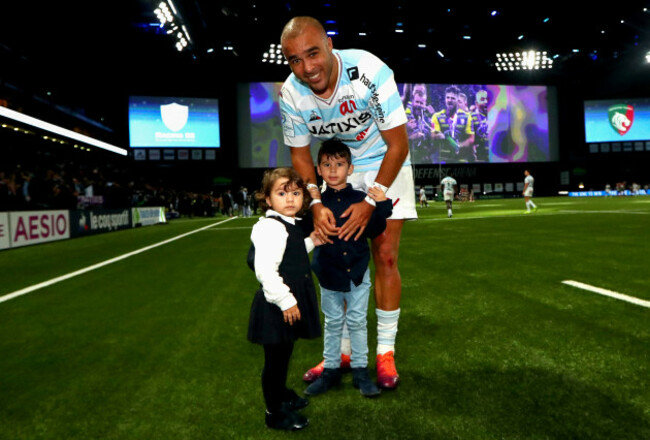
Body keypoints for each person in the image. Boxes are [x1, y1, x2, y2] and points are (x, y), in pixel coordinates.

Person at [279, 16, 417, 389]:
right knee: (334, 255)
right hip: (334, 168)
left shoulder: (369, 71)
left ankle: (385, 354)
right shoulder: (291, 93)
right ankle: (339, 353)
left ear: (329, 43)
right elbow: (301, 155)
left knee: (385, 254)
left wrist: (373, 201)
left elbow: (398, 144)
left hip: (383, 161)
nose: (306, 68)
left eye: (312, 53)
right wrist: (316, 202)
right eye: (294, 60)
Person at [305, 140, 392, 398]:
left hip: (357, 272)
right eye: (327, 164)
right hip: (328, 273)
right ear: (318, 170)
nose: (333, 170)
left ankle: (360, 372)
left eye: (339, 164)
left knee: (356, 321)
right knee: (332, 323)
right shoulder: (315, 206)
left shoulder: (361, 200)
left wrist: (382, 204)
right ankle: (330, 370)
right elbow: (305, 233)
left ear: (350, 169)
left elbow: (376, 229)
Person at [247, 167, 324, 431]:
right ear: (268, 200)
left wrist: (311, 241)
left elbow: (290, 253)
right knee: (276, 360)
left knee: (284, 353)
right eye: (281, 193)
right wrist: (286, 300)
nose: (290, 199)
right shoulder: (270, 227)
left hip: (285, 302)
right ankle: (274, 412)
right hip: (276, 305)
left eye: (295, 192)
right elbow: (266, 270)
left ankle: (281, 395)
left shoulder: (287, 225)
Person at [431, 85, 475, 163]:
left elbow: (471, 139)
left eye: (453, 98)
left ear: (457, 100)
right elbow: (433, 135)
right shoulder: (437, 116)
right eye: (447, 97)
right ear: (445, 99)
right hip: (443, 159)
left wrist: (459, 145)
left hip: (461, 159)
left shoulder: (467, 117)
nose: (449, 100)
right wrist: (439, 136)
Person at [471, 90, 489, 162]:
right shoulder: (471, 117)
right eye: (482, 99)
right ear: (476, 103)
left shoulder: (495, 115)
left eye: (487, 99)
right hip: (480, 157)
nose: (486, 102)